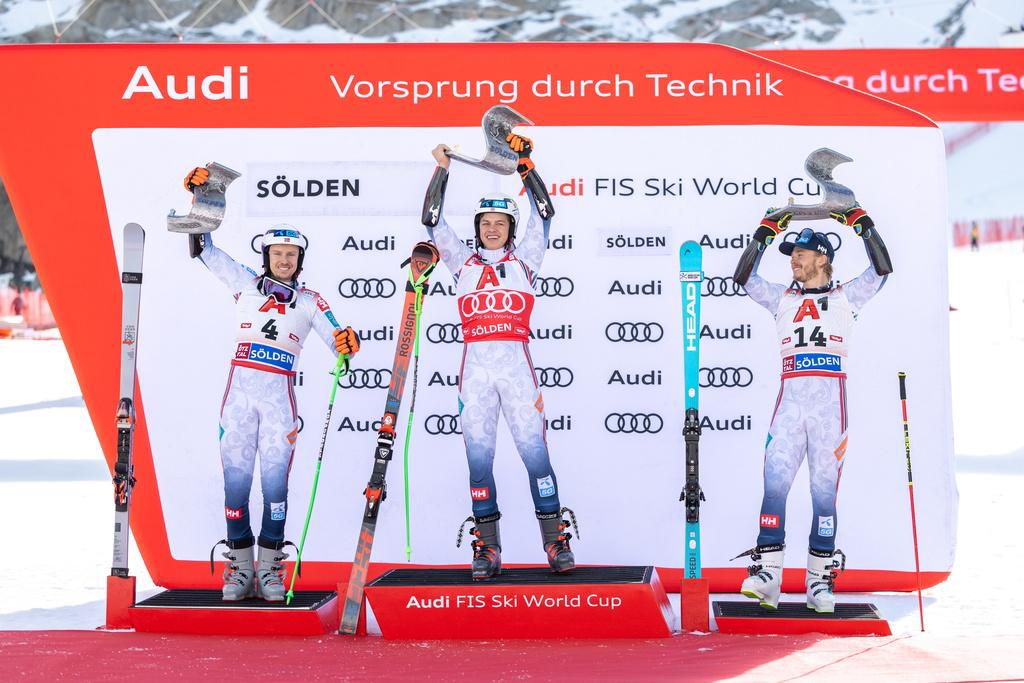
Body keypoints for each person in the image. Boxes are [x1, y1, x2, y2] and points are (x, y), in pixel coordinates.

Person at [182, 166, 361, 601]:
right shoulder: (244, 282)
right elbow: (204, 248)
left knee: (276, 490)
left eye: (291, 255)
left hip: (279, 401)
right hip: (239, 399)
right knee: (236, 487)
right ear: (267, 257)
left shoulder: (310, 300)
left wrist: (347, 342)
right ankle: (239, 571)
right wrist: (200, 198)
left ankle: (270, 571)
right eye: (278, 254)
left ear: (300, 260)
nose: (284, 260)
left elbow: (341, 340)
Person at [421, 133, 577, 580]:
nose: (492, 229)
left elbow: (545, 214)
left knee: (536, 457)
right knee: (478, 461)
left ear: (510, 229)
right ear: (478, 227)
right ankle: (487, 548)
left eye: (500, 223)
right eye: (486, 222)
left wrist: (526, 165)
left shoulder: (527, 259)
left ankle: (554, 541)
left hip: (516, 372)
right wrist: (442, 168)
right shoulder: (461, 263)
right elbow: (432, 220)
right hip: (476, 375)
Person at [732, 204, 893, 613]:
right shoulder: (781, 297)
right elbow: (744, 278)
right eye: (790, 256)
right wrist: (764, 232)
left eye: (800, 254)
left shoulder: (846, 296)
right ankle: (767, 575)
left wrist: (862, 224)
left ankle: (819, 581)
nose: (793, 262)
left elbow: (882, 269)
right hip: (790, 402)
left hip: (828, 405)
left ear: (823, 257)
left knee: (824, 494)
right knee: (775, 483)